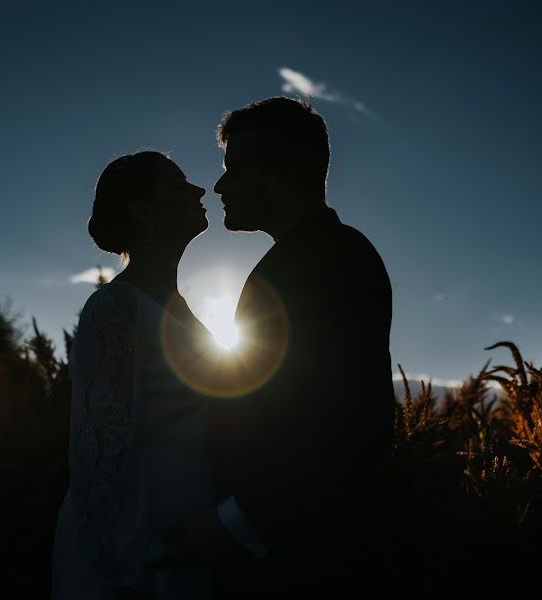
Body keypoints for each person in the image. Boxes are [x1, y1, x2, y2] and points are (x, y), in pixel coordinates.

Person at [147, 97, 395, 596]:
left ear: (281, 177)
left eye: (234, 170)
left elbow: (342, 423)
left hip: (309, 564)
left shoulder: (331, 261)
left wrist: (233, 523)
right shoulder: (306, 259)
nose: (219, 185)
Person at [51, 151, 218, 599]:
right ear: (143, 208)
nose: (199, 190)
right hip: (134, 555)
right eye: (179, 184)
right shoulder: (115, 308)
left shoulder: (185, 314)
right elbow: (97, 455)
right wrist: (118, 575)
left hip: (184, 540)